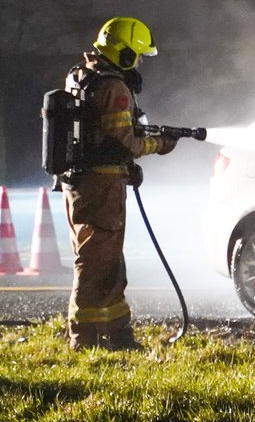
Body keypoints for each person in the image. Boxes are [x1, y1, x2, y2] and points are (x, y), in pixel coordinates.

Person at [62, 17, 181, 350]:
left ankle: (116, 334)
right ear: (124, 53)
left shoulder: (81, 75)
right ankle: (84, 339)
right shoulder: (113, 87)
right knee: (95, 262)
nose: (140, 62)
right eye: (138, 55)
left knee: (107, 261)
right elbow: (124, 141)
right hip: (100, 187)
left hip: (83, 182)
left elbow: (101, 137)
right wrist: (160, 145)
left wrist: (125, 168)